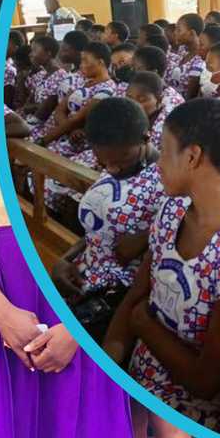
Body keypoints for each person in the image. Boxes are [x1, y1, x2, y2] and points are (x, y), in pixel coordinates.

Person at [0, 88, 133, 438]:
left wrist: (78, 330)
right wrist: (2, 314)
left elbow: (113, 258)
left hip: (69, 295)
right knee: (1, 415)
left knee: (73, 417)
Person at [104, 98, 220, 438]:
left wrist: (144, 323)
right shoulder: (172, 209)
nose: (157, 162)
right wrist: (111, 360)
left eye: (164, 151)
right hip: (139, 378)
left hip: (186, 413)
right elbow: (138, 293)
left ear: (192, 157)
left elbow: (203, 381)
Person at [50, 98, 162, 340]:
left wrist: (148, 235)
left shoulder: (167, 181)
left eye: (120, 162)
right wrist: (64, 260)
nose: (111, 168)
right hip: (83, 273)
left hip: (119, 297)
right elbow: (98, 229)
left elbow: (132, 252)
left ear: (145, 138)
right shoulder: (119, 160)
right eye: (104, 162)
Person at [39, 42, 116, 157]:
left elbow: (77, 120)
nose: (81, 65)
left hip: (78, 143)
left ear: (100, 63)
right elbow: (59, 111)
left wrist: (42, 142)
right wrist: (70, 131)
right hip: (62, 133)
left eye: (85, 61)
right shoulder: (83, 81)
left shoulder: (107, 90)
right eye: (81, 60)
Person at [124, 70, 175, 148]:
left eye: (142, 100)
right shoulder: (128, 115)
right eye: (129, 98)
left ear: (159, 100)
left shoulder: (163, 130)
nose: (134, 104)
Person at [166, 13, 206, 100]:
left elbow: (191, 97)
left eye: (179, 30)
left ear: (192, 33)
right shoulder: (183, 52)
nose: (175, 33)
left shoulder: (200, 59)